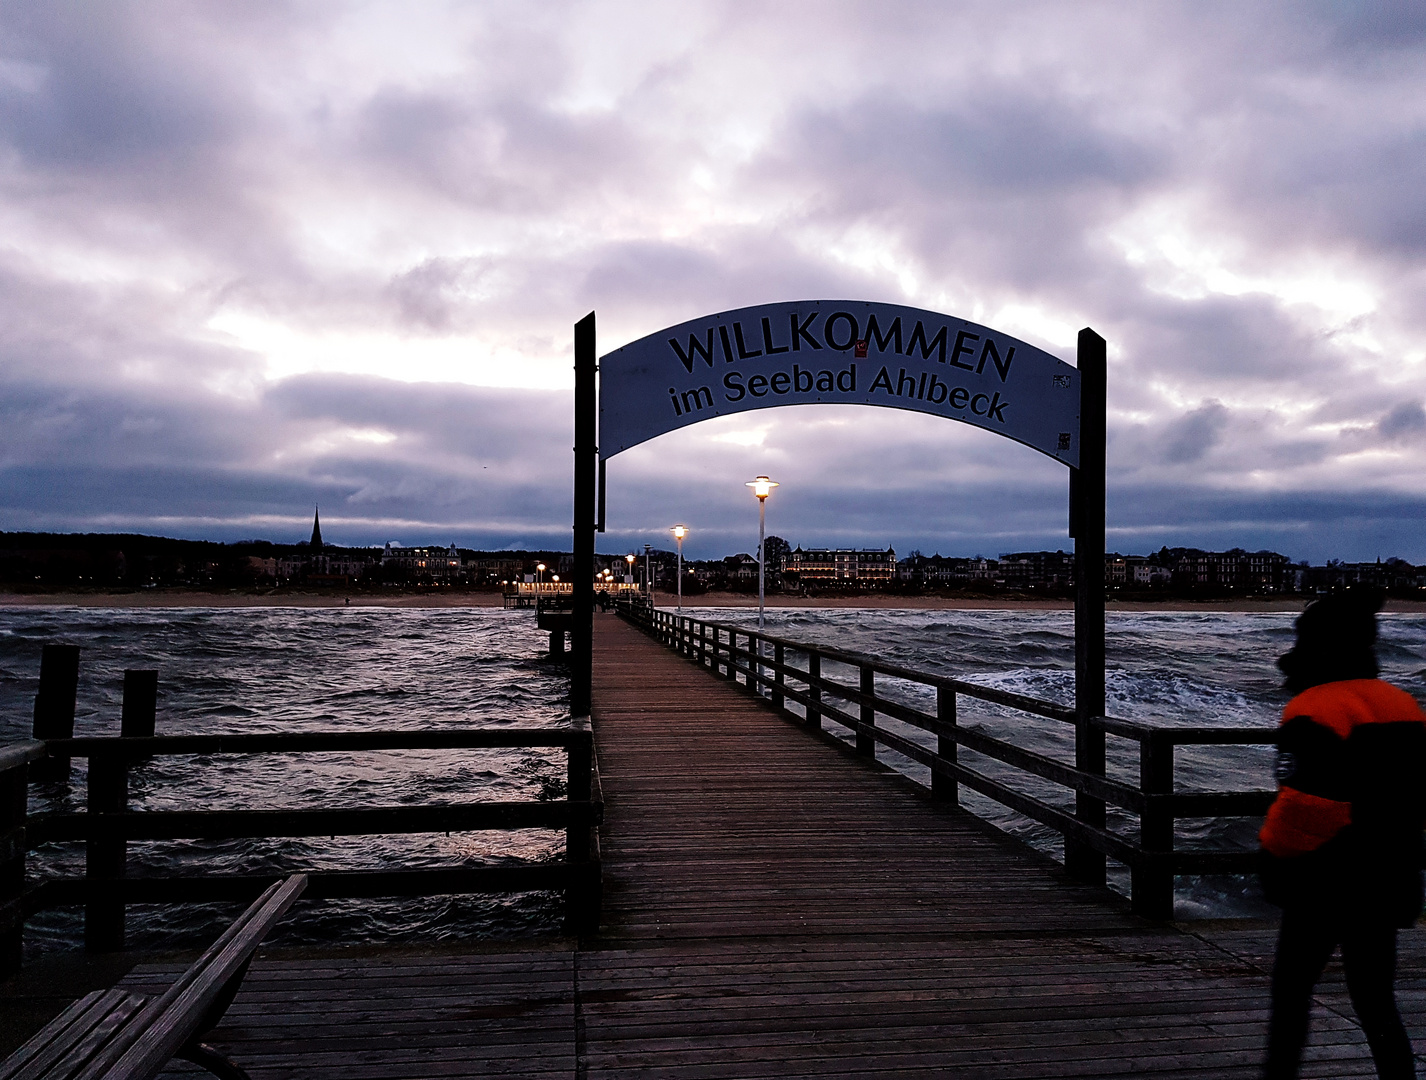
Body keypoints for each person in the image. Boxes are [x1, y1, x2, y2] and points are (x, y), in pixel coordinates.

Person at [1260, 587, 1426, 1079]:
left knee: (1291, 993)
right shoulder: (1404, 706)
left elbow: (1306, 806)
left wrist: (1272, 856)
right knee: (1376, 1001)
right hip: (1390, 876)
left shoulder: (1314, 710)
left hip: (1323, 883)